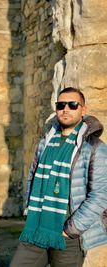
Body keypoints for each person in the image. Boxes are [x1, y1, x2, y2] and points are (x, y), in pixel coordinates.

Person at [10, 87, 107, 267]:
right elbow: (32, 176)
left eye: (72, 105)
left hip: (67, 235)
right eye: (61, 105)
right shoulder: (45, 142)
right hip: (37, 227)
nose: (66, 109)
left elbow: (100, 195)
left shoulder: (95, 148)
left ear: (83, 110)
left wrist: (70, 230)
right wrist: (29, 209)